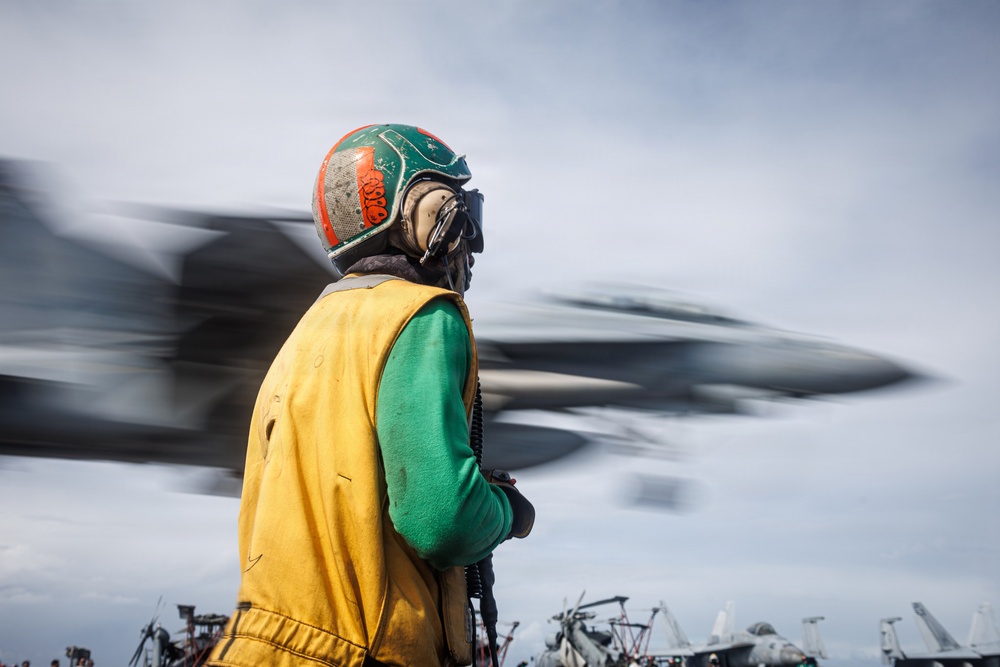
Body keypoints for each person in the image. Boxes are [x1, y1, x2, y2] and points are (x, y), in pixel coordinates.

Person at [207, 124, 533, 667]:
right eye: (465, 209)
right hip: (364, 650)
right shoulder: (421, 316)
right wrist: (507, 512)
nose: (471, 236)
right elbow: (442, 521)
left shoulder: (299, 340)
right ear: (434, 211)